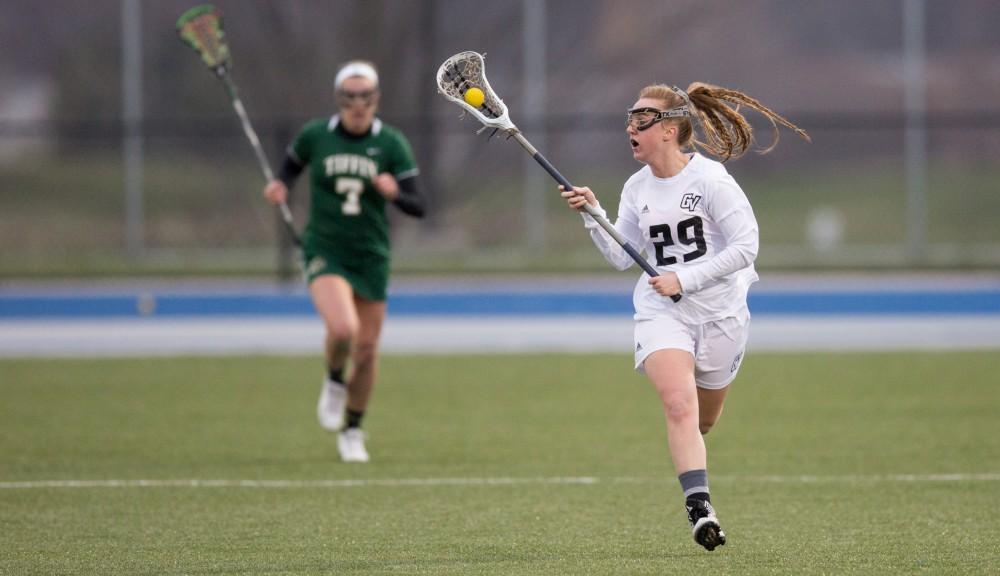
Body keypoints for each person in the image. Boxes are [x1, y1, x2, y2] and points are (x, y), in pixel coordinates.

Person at [561, 83, 809, 550]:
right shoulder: (636, 188)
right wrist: (594, 216)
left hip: (721, 314)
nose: (631, 127)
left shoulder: (710, 181)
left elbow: (746, 248)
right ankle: (700, 508)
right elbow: (623, 258)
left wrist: (685, 279)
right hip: (661, 313)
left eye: (643, 119)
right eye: (630, 118)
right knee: (678, 404)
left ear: (671, 129)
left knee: (703, 422)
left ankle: (695, 474)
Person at [264, 60, 426, 463]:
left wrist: (394, 194)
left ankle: (352, 430)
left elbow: (419, 206)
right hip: (325, 247)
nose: (358, 104)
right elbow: (289, 169)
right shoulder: (315, 136)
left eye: (365, 96)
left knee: (368, 352)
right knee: (342, 329)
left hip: (370, 254)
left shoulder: (391, 143)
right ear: (339, 99)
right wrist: (280, 186)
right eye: (350, 97)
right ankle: (335, 380)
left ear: (376, 99)